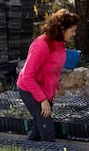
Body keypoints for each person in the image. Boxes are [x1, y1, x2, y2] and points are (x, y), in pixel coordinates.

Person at [17, 8, 79, 141]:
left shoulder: (59, 43)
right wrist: (42, 100)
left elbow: (52, 68)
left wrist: (55, 87)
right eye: (72, 30)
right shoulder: (41, 46)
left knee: (39, 129)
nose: (74, 34)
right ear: (62, 29)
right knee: (48, 131)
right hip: (30, 90)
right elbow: (28, 76)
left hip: (45, 91)